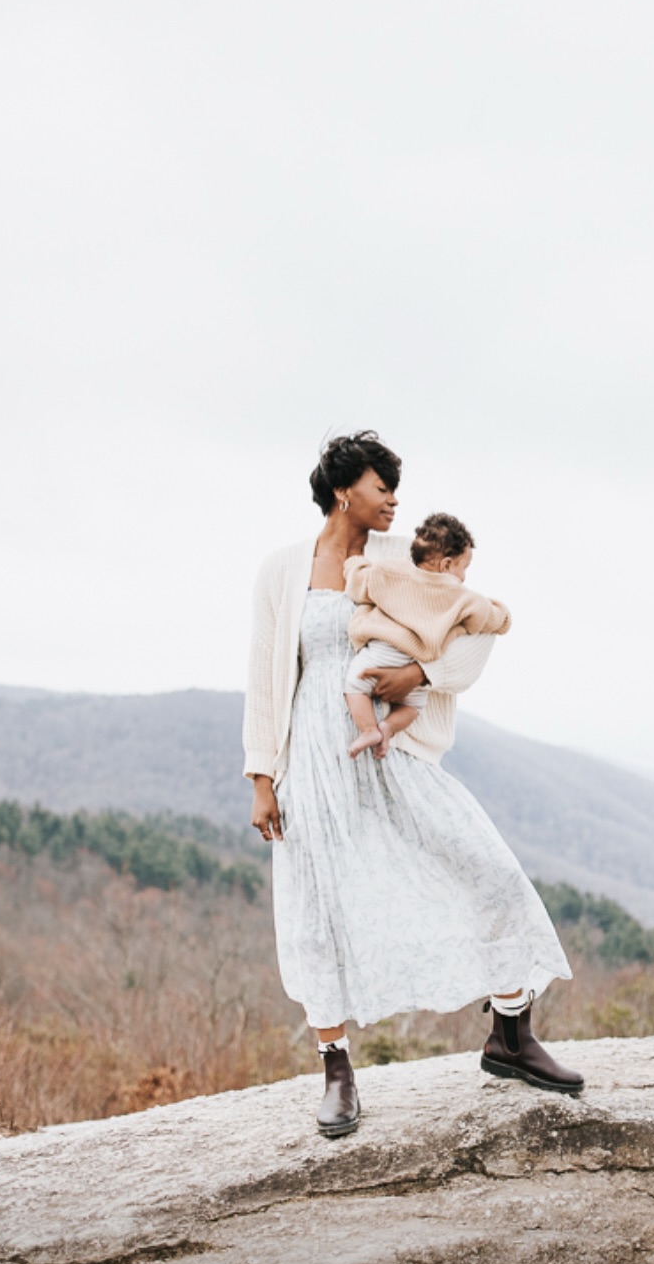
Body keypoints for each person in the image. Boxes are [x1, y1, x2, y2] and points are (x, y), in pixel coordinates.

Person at [244, 430, 584, 1138]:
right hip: (312, 758)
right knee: (317, 908)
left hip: (393, 750)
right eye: (380, 486)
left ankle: (510, 1036)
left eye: (395, 487)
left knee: (483, 868)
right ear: (343, 491)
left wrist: (420, 677)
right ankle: (336, 1070)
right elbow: (263, 679)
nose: (393, 499)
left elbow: (473, 628)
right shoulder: (282, 570)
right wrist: (261, 778)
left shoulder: (408, 557)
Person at [343, 511, 511, 761]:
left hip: (381, 652)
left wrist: (354, 562)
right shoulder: (461, 596)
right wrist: (496, 607)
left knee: (355, 685)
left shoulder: (390, 571)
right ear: (446, 565)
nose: (464, 576)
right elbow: (497, 620)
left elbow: (358, 583)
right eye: (464, 567)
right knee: (413, 706)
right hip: (417, 660)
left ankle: (368, 730)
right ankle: (387, 728)